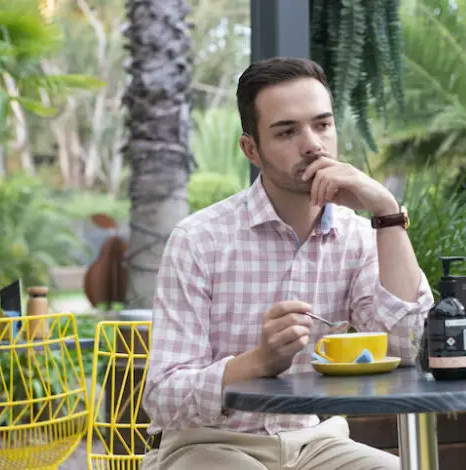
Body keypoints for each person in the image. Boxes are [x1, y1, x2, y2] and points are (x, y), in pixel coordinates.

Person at [139, 57, 434, 470]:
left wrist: (385, 211)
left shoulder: (358, 237)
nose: (312, 143)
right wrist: (257, 362)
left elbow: (409, 348)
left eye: (322, 124)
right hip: (207, 446)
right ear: (251, 149)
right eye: (287, 131)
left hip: (316, 444)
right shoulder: (199, 240)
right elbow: (162, 396)